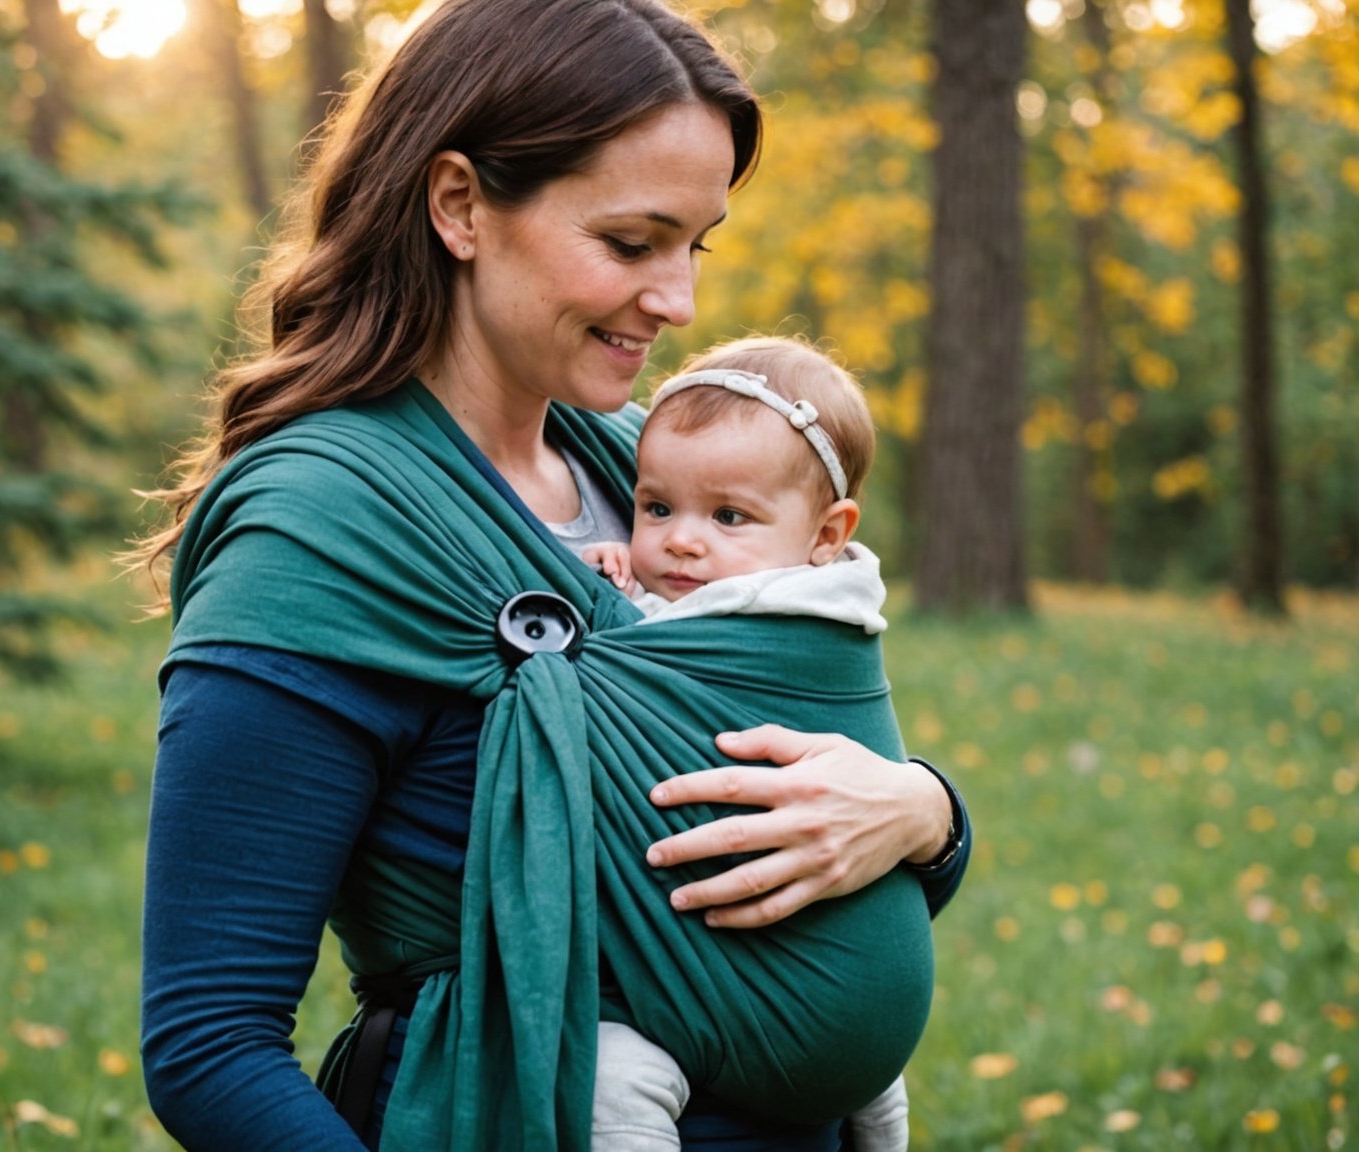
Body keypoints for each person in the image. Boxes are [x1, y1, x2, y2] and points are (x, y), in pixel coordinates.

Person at [130, 2, 971, 1149]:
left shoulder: (649, 468)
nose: (679, 301)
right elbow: (209, 1046)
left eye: (696, 246)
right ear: (461, 205)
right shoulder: (324, 526)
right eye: (631, 243)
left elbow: (796, 771)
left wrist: (922, 812)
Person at [575, 336, 915, 1152]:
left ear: (827, 535)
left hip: (800, 987)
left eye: (728, 517)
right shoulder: (835, 590)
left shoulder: (786, 621)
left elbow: (642, 663)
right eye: (656, 508)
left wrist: (606, 603)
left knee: (605, 1077)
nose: (682, 541)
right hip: (853, 1019)